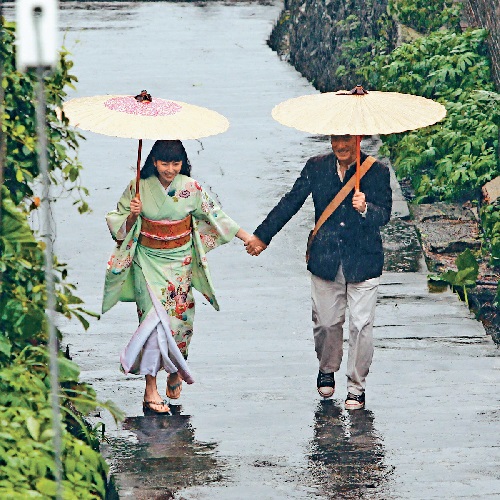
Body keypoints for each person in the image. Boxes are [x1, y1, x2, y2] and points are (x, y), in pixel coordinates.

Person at [103, 140, 251, 414]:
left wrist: (247, 237)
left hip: (179, 264)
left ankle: (175, 370)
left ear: (183, 163)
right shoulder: (138, 186)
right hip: (147, 262)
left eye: (175, 163)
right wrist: (133, 216)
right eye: (164, 163)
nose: (170, 169)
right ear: (153, 162)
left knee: (180, 324)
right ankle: (150, 388)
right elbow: (117, 225)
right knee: (151, 323)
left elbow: (216, 215)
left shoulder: (190, 188)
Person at [245, 135, 392, 410]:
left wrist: (366, 209)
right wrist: (262, 236)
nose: (341, 146)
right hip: (325, 259)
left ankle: (356, 387)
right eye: (336, 139)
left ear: (358, 140)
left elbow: (384, 214)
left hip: (364, 261)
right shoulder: (316, 167)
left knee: (361, 326)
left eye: (347, 139)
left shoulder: (377, 171)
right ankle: (327, 367)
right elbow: (291, 202)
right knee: (326, 323)